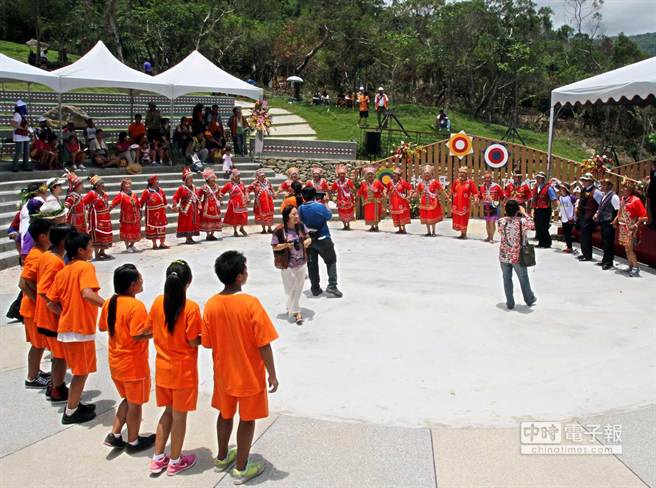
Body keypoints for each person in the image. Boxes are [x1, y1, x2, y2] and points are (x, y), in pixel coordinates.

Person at [202, 251, 279, 483]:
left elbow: (207, 341)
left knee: (224, 414)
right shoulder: (250, 304)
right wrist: (272, 374)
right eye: (245, 269)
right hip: (249, 375)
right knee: (247, 419)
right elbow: (263, 344)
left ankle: (222, 456)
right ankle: (242, 467)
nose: (247, 272)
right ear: (239, 277)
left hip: (223, 373)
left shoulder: (212, 304)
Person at [148, 260, 202, 476]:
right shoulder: (191, 308)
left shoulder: (157, 302)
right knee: (180, 417)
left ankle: (158, 457)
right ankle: (176, 460)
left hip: (162, 368)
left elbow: (151, 328)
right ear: (188, 282)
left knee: (167, 413)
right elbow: (191, 341)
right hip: (183, 371)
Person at [46, 231, 104, 424]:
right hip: (79, 330)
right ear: (80, 250)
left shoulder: (63, 271)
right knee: (80, 373)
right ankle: (71, 412)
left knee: (81, 371)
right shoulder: (85, 268)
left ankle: (75, 403)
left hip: (67, 329)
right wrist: (109, 305)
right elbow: (87, 293)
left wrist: (65, 313)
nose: (92, 250)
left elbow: (50, 302)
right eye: (90, 247)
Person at [99, 264, 155, 452]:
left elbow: (102, 326)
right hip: (133, 364)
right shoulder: (135, 306)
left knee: (128, 400)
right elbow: (137, 334)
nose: (142, 281)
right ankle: (133, 441)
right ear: (132, 285)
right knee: (135, 404)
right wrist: (156, 332)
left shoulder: (109, 302)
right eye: (139, 279)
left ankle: (115, 434)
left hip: (116, 361)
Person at [35, 223, 73, 403]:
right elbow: (44, 291)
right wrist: (61, 313)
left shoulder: (47, 256)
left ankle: (55, 383)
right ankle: (57, 388)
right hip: (51, 318)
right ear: (64, 241)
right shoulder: (55, 262)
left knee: (58, 355)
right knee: (60, 356)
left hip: (45, 316)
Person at [18, 218, 53, 391]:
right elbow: (24, 283)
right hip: (32, 310)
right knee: (37, 344)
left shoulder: (41, 253)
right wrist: (38, 300)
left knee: (39, 344)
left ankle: (36, 371)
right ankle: (32, 377)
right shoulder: (36, 256)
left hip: (34, 308)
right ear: (42, 237)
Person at [298, 186, 342, 297]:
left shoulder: (301, 208)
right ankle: (332, 286)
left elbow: (300, 222)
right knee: (331, 261)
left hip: (309, 239)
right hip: (323, 237)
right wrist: (326, 202)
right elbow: (328, 216)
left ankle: (315, 288)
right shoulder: (320, 206)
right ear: (314, 195)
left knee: (312, 264)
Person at [272, 206, 312, 324]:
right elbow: (274, 246)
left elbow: (308, 237)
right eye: (293, 214)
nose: (297, 217)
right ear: (287, 216)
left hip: (301, 261)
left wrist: (307, 241)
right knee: (291, 287)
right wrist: (286, 245)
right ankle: (297, 312)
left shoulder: (300, 226)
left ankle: (293, 309)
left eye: (297, 214)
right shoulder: (279, 230)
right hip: (287, 263)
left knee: (298, 287)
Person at [497, 200, 537, 310]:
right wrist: (524, 213)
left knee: (506, 278)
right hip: (518, 255)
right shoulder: (522, 222)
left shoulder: (501, 221)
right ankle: (529, 299)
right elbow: (533, 225)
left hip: (504, 254)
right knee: (523, 278)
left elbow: (500, 232)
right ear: (517, 210)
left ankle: (510, 302)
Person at [613, 181, 648, 277]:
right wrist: (615, 220)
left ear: (630, 189)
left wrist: (636, 225)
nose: (622, 189)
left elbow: (644, 216)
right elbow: (620, 212)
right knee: (626, 248)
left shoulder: (635, 200)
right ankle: (630, 266)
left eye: (625, 187)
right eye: (622, 187)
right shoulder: (623, 199)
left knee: (630, 248)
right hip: (623, 227)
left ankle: (636, 267)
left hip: (631, 228)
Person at [82, 175, 113, 260]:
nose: (103, 185)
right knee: (97, 235)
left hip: (105, 217)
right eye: (101, 183)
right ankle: (96, 254)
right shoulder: (91, 193)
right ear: (96, 185)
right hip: (96, 218)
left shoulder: (104, 194)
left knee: (105, 234)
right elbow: (83, 202)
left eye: (103, 183)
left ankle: (102, 252)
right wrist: (88, 209)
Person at [594, 179, 620, 270]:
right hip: (603, 221)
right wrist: (597, 213)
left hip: (609, 222)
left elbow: (618, 210)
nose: (602, 186)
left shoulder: (614, 196)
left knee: (608, 242)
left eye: (604, 185)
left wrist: (615, 221)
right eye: (602, 184)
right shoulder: (604, 195)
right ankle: (605, 259)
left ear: (609, 186)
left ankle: (609, 262)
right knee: (604, 242)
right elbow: (601, 207)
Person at [110, 178, 142, 253]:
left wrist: (140, 213)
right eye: (126, 184)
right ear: (123, 186)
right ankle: (127, 246)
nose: (128, 185)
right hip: (126, 218)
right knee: (127, 232)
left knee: (136, 231)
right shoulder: (121, 195)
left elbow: (138, 204)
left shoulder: (134, 194)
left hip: (135, 217)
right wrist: (107, 211)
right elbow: (113, 204)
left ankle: (132, 245)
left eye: (129, 184)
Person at [414, 165, 445, 237]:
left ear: (431, 174)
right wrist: (413, 195)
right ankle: (428, 231)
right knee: (426, 217)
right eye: (425, 174)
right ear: (423, 174)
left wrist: (447, 197)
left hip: (433, 202)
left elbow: (442, 190)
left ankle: (433, 231)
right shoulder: (421, 183)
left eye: (428, 173)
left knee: (432, 216)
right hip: (424, 202)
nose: (426, 175)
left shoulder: (435, 182)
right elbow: (417, 192)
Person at [172, 168, 200, 245]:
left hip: (193, 209)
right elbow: (175, 197)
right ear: (186, 180)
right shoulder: (182, 188)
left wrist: (198, 202)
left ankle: (190, 237)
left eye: (192, 178)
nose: (191, 180)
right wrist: (175, 204)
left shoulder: (194, 188)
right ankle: (188, 238)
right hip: (186, 210)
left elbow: (197, 196)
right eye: (190, 178)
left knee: (193, 223)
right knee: (187, 223)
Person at [140, 175, 169, 250]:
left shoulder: (161, 190)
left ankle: (162, 243)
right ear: (152, 182)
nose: (157, 181)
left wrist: (171, 207)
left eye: (157, 180)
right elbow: (141, 203)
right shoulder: (147, 192)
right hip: (151, 214)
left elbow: (165, 202)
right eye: (156, 180)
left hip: (161, 213)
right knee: (153, 229)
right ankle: (154, 244)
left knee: (162, 228)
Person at [575, 173, 599, 260]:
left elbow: (601, 204)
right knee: (582, 236)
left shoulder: (596, 191)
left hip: (589, 217)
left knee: (586, 237)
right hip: (582, 216)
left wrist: (596, 215)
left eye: (586, 180)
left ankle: (588, 255)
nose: (583, 182)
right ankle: (584, 253)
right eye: (583, 180)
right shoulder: (584, 190)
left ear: (591, 181)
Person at [450, 166, 478, 239]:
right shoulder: (456, 181)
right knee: (458, 218)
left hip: (465, 204)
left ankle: (464, 234)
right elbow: (452, 191)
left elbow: (475, 192)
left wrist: (475, 199)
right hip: (456, 204)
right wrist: (449, 198)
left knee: (464, 218)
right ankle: (461, 233)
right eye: (460, 173)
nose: (462, 174)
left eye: (464, 173)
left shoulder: (470, 182)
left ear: (466, 174)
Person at [532, 171, 558, 249]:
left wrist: (556, 208)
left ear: (543, 179)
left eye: (540, 178)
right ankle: (541, 242)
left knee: (544, 226)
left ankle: (547, 243)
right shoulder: (536, 187)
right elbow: (534, 198)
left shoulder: (549, 188)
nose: (538, 179)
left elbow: (553, 198)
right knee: (538, 226)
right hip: (537, 209)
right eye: (537, 178)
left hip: (545, 210)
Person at [197, 168, 223, 241]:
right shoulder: (204, 187)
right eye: (212, 179)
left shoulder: (217, 186)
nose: (214, 180)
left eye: (214, 179)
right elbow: (198, 195)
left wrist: (220, 200)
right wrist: (199, 203)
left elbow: (218, 195)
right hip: (206, 206)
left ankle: (212, 234)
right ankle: (208, 235)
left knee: (216, 219)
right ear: (208, 179)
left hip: (215, 206)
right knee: (207, 220)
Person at [221, 169, 249, 237]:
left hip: (242, 202)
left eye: (239, 175)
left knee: (244, 216)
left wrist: (247, 197)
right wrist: (220, 199)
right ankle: (235, 231)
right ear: (233, 176)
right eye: (237, 176)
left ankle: (241, 228)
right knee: (235, 217)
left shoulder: (242, 183)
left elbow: (245, 191)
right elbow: (222, 192)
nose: (238, 177)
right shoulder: (229, 185)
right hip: (233, 203)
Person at [479, 172, 505, 242]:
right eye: (485, 178)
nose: (487, 179)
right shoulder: (482, 187)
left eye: (488, 178)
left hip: (494, 206)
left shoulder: (497, 186)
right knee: (487, 222)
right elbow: (480, 196)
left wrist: (503, 204)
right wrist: (477, 202)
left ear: (491, 178)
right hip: (486, 206)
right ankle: (488, 236)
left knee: (492, 222)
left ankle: (491, 238)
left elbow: (502, 196)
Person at [357, 167, 385, 232]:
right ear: (366, 175)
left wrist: (383, 195)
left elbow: (383, 189)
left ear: (374, 175)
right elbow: (360, 191)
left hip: (376, 201)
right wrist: (357, 196)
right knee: (370, 215)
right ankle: (372, 226)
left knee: (376, 214)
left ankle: (376, 226)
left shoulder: (377, 182)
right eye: (368, 174)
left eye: (371, 174)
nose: (370, 175)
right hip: (368, 202)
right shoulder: (364, 183)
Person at [248, 169, 275, 234]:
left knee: (269, 215)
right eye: (261, 176)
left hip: (268, 201)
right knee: (261, 215)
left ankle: (269, 228)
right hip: (260, 202)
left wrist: (274, 194)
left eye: (263, 175)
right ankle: (263, 229)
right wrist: (247, 197)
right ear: (257, 176)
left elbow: (271, 188)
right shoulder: (255, 183)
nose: (263, 177)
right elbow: (248, 189)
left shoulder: (267, 182)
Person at [386, 167, 412, 234]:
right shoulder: (390, 182)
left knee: (402, 214)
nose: (394, 175)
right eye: (393, 174)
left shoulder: (402, 182)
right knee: (395, 215)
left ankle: (404, 229)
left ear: (399, 175)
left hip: (401, 201)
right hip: (393, 202)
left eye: (396, 174)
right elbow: (387, 190)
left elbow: (410, 188)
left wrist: (409, 196)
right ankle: (399, 228)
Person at [330, 165, 356, 230]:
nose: (342, 175)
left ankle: (348, 224)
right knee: (342, 212)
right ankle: (344, 225)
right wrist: (331, 193)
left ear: (345, 175)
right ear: (338, 175)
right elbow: (333, 189)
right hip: (340, 199)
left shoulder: (348, 181)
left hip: (348, 199)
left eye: (343, 174)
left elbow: (353, 188)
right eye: (340, 174)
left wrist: (354, 191)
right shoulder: (336, 182)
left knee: (349, 211)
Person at [10, 100, 32, 172]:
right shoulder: (17, 114)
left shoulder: (22, 115)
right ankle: (15, 166)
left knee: (26, 151)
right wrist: (22, 128)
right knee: (19, 151)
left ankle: (25, 165)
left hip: (25, 135)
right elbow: (13, 124)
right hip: (19, 136)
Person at [557, 183, 576, 254]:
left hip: (570, 218)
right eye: (561, 189)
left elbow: (574, 207)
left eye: (563, 189)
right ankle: (568, 245)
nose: (561, 190)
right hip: (564, 218)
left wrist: (572, 217)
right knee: (566, 233)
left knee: (568, 233)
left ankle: (569, 247)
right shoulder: (560, 197)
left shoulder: (571, 197)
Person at [648, 160, 656, 229]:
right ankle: (653, 223)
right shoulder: (652, 171)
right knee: (653, 209)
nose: (652, 165)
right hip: (653, 193)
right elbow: (651, 181)